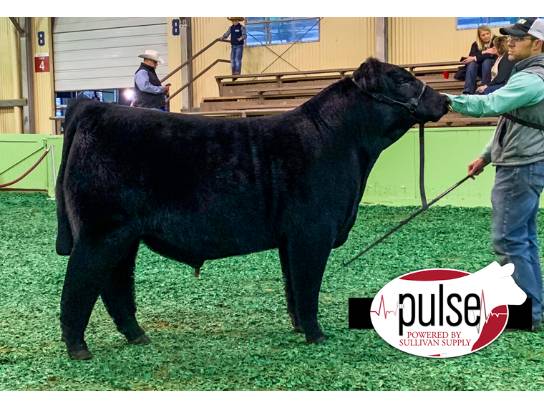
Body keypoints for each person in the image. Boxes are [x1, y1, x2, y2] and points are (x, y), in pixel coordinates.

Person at [446, 17, 544, 331]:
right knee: (523, 239)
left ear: (538, 44)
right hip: (525, 163)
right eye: (510, 36)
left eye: (518, 37)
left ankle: (527, 313)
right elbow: (512, 120)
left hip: (519, 166)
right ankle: (534, 308)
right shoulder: (530, 75)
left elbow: (490, 104)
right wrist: (486, 156)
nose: (510, 41)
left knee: (508, 239)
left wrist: (444, 100)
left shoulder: (532, 80)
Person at [458, 25, 498, 94]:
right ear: (479, 37)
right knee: (472, 63)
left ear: (490, 33)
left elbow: (491, 55)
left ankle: (484, 88)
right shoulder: (475, 44)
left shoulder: (495, 40)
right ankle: (468, 91)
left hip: (492, 68)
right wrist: (484, 52)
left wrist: (476, 57)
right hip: (479, 70)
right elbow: (471, 56)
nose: (486, 36)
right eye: (483, 35)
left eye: (487, 33)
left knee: (487, 61)